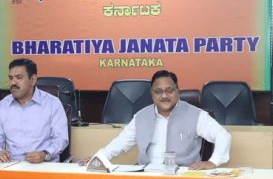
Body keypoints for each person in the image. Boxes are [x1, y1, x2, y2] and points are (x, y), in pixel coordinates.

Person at [88, 70, 229, 170]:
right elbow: (120, 143)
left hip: (182, 177)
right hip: (148, 176)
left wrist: (213, 162)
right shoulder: (141, 116)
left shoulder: (196, 115)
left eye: (169, 90)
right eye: (158, 91)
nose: (164, 96)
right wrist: (98, 158)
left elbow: (223, 135)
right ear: (152, 94)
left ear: (177, 91)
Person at [0, 58, 68, 163]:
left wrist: (45, 154)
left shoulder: (52, 104)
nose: (13, 82)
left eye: (19, 77)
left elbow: (61, 139)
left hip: (44, 165)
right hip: (12, 165)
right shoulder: (2, 106)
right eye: (11, 78)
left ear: (33, 80)